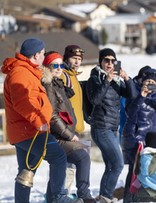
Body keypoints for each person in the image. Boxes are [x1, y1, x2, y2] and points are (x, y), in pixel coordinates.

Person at [1, 38, 82, 203]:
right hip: (30, 131)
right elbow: (23, 103)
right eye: (43, 53)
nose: (44, 57)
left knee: (26, 171)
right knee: (58, 157)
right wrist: (40, 122)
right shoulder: (20, 73)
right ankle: (59, 197)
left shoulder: (26, 71)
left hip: (24, 130)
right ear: (36, 54)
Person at [41, 51, 96, 203]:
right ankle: (84, 195)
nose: (59, 68)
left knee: (60, 164)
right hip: (55, 135)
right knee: (82, 156)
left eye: (61, 65)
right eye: (55, 65)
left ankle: (52, 198)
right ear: (47, 66)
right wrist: (68, 134)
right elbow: (52, 115)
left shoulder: (57, 83)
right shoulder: (49, 85)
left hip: (62, 133)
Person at [86, 48, 137, 202]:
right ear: (100, 62)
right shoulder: (94, 79)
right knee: (118, 164)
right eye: (106, 60)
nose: (109, 63)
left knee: (110, 166)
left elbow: (132, 94)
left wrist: (126, 78)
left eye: (112, 61)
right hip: (101, 128)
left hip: (113, 128)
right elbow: (95, 100)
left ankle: (103, 197)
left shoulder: (116, 81)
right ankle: (106, 197)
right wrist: (106, 81)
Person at [122, 68, 156, 202]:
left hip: (150, 137)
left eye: (153, 82)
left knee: (148, 169)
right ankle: (129, 198)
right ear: (142, 82)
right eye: (148, 82)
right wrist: (142, 95)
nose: (150, 85)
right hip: (135, 136)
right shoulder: (134, 93)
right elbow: (130, 112)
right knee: (135, 169)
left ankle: (142, 197)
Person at [61, 45, 85, 134]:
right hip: (68, 129)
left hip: (76, 129)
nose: (76, 62)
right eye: (74, 58)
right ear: (66, 59)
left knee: (84, 148)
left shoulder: (73, 76)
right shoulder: (63, 75)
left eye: (79, 59)